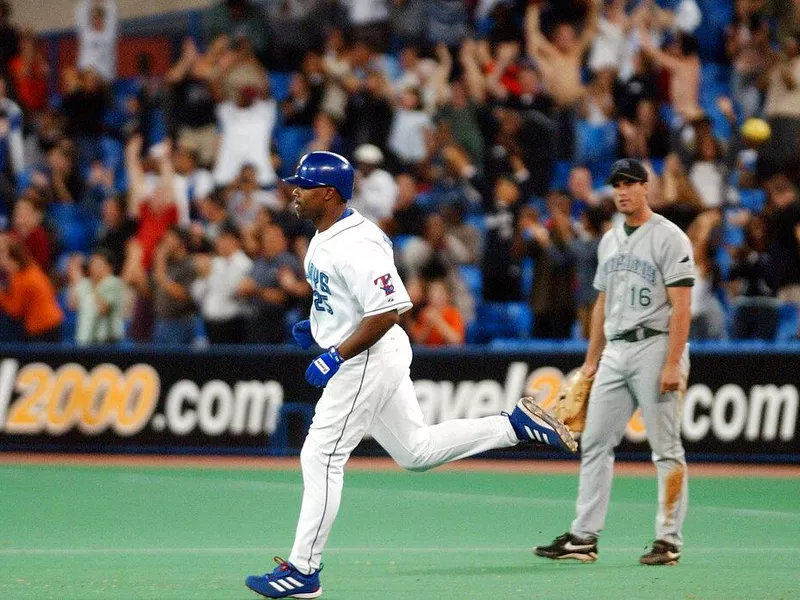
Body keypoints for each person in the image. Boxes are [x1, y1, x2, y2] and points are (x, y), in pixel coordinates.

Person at [244, 151, 578, 598]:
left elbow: (390, 311)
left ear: (328, 193)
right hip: (368, 352)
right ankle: (513, 426)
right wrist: (321, 324)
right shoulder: (329, 233)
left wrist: (336, 353)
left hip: (368, 358)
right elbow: (346, 295)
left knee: (321, 456)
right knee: (415, 451)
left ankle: (304, 570)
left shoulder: (356, 244)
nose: (294, 193)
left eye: (302, 186)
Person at [534, 159, 694, 566]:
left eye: (630, 184)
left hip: (655, 346)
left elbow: (682, 308)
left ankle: (668, 540)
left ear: (645, 188)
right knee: (595, 443)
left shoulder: (669, 237)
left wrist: (673, 363)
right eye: (616, 185)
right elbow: (602, 303)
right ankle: (584, 537)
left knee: (666, 449)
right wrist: (590, 361)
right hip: (615, 352)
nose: (622, 191)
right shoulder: (608, 239)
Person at [0, 235, 63, 342]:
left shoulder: (21, 278)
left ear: (13, 259)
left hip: (41, 329)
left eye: (4, 259)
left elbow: (15, 310)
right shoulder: (33, 269)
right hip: (54, 322)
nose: (3, 264)